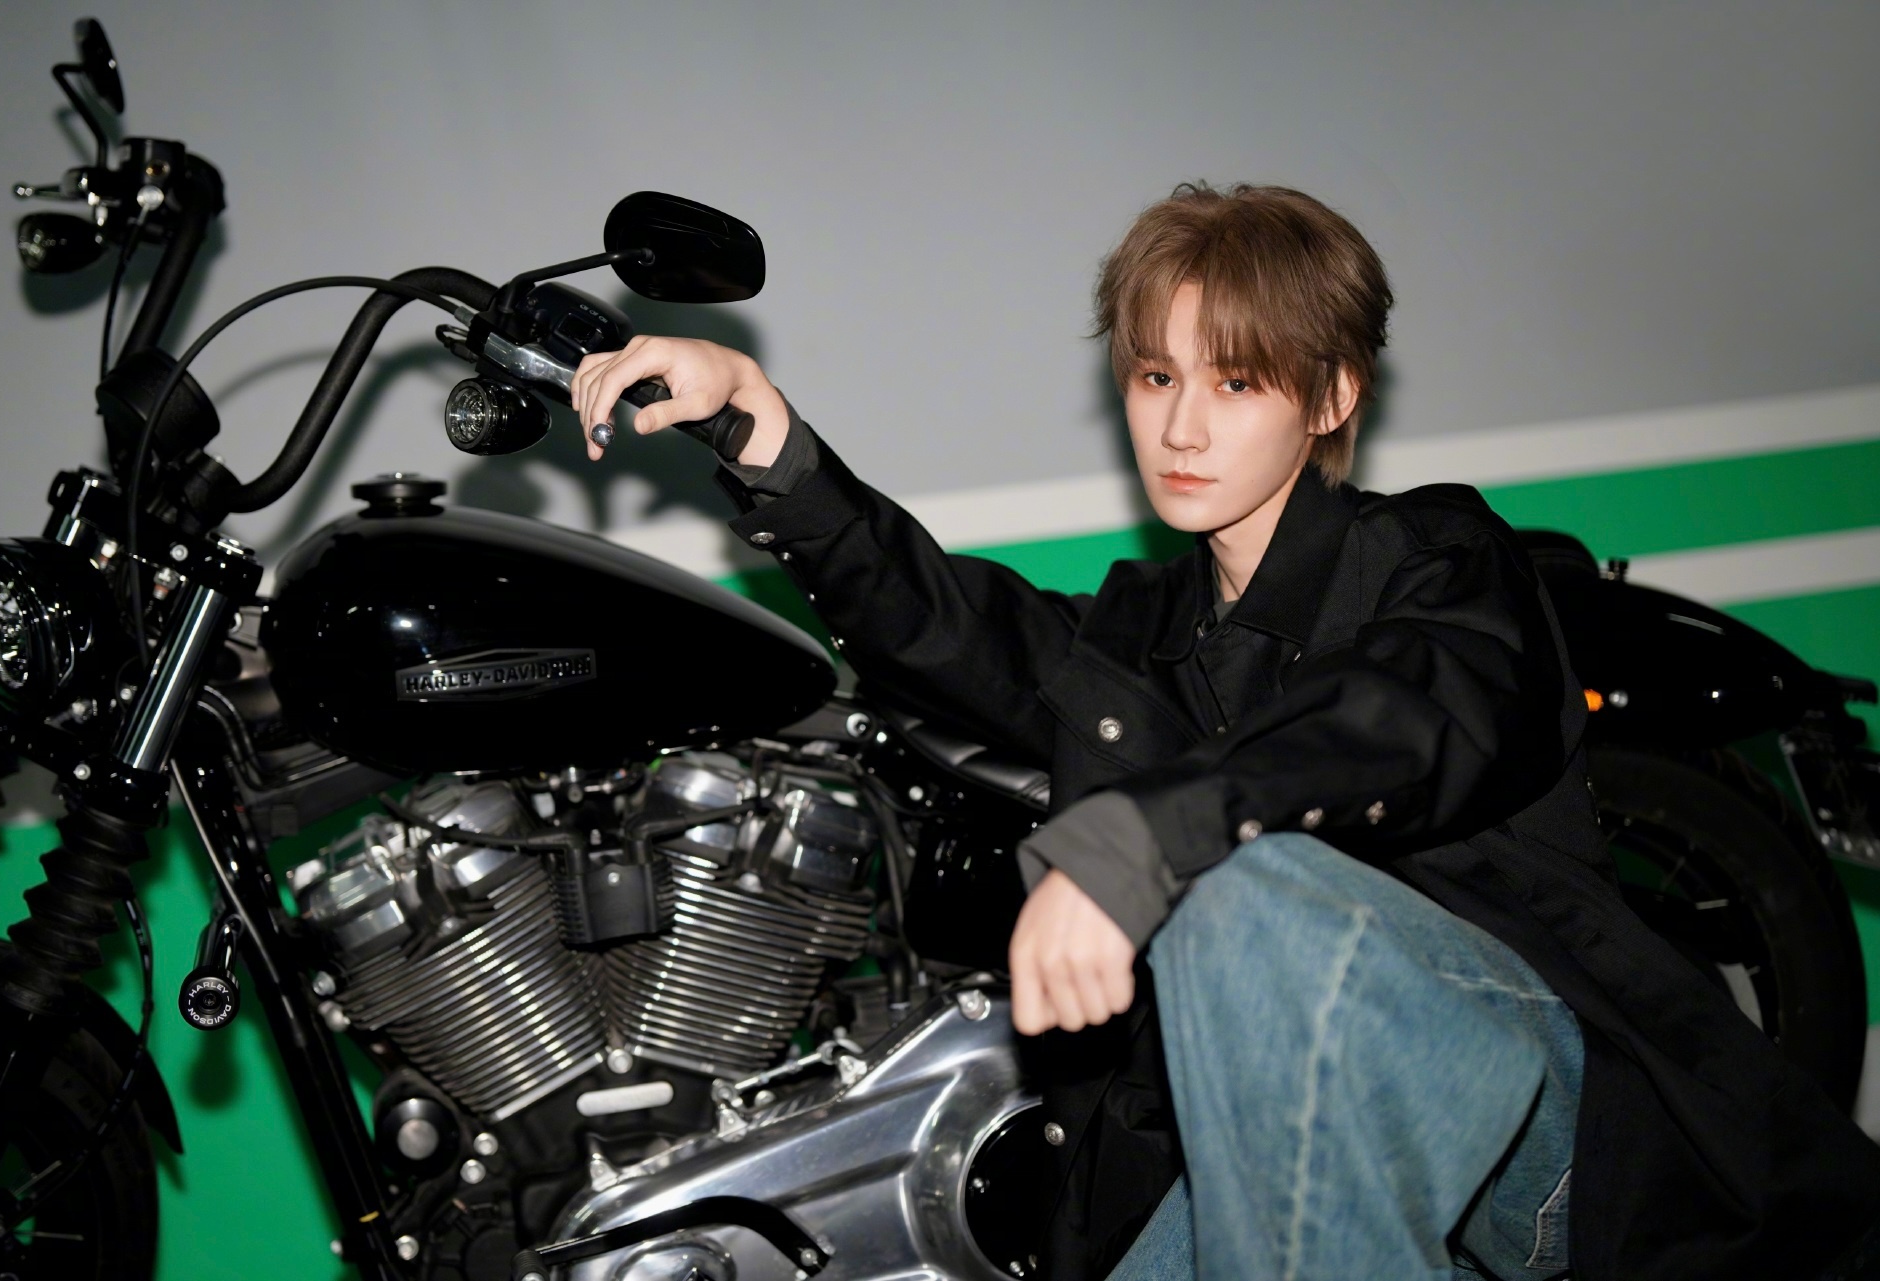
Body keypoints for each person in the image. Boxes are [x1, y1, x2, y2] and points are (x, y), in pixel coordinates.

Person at [570, 183, 1880, 1279]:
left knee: (1241, 888)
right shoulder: (1142, 631)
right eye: (1155, 376)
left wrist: (1145, 840)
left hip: (1542, 1132)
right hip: (1278, 1136)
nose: (1182, 425)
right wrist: (762, 431)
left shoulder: (1433, 555)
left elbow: (1401, 715)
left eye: (1237, 381)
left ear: (1330, 397)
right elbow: (950, 623)